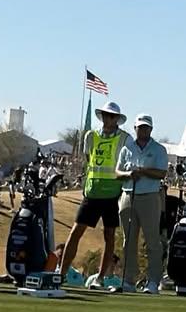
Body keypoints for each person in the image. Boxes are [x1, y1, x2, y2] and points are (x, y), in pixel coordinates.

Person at [60, 101, 129, 286]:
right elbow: (88, 158)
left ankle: (101, 277)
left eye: (112, 116)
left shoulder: (125, 138)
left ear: (117, 119)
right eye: (106, 115)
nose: (108, 118)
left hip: (113, 193)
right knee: (76, 231)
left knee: (109, 236)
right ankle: (61, 273)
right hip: (92, 191)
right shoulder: (90, 136)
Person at [116, 114, 169, 295]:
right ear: (135, 128)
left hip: (149, 197)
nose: (143, 130)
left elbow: (161, 173)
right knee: (128, 241)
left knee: (152, 241)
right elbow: (117, 172)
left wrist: (143, 171)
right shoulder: (127, 148)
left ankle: (153, 281)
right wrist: (129, 174)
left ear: (151, 129)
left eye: (146, 127)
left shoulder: (159, 149)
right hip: (128, 195)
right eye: (140, 127)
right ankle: (128, 280)